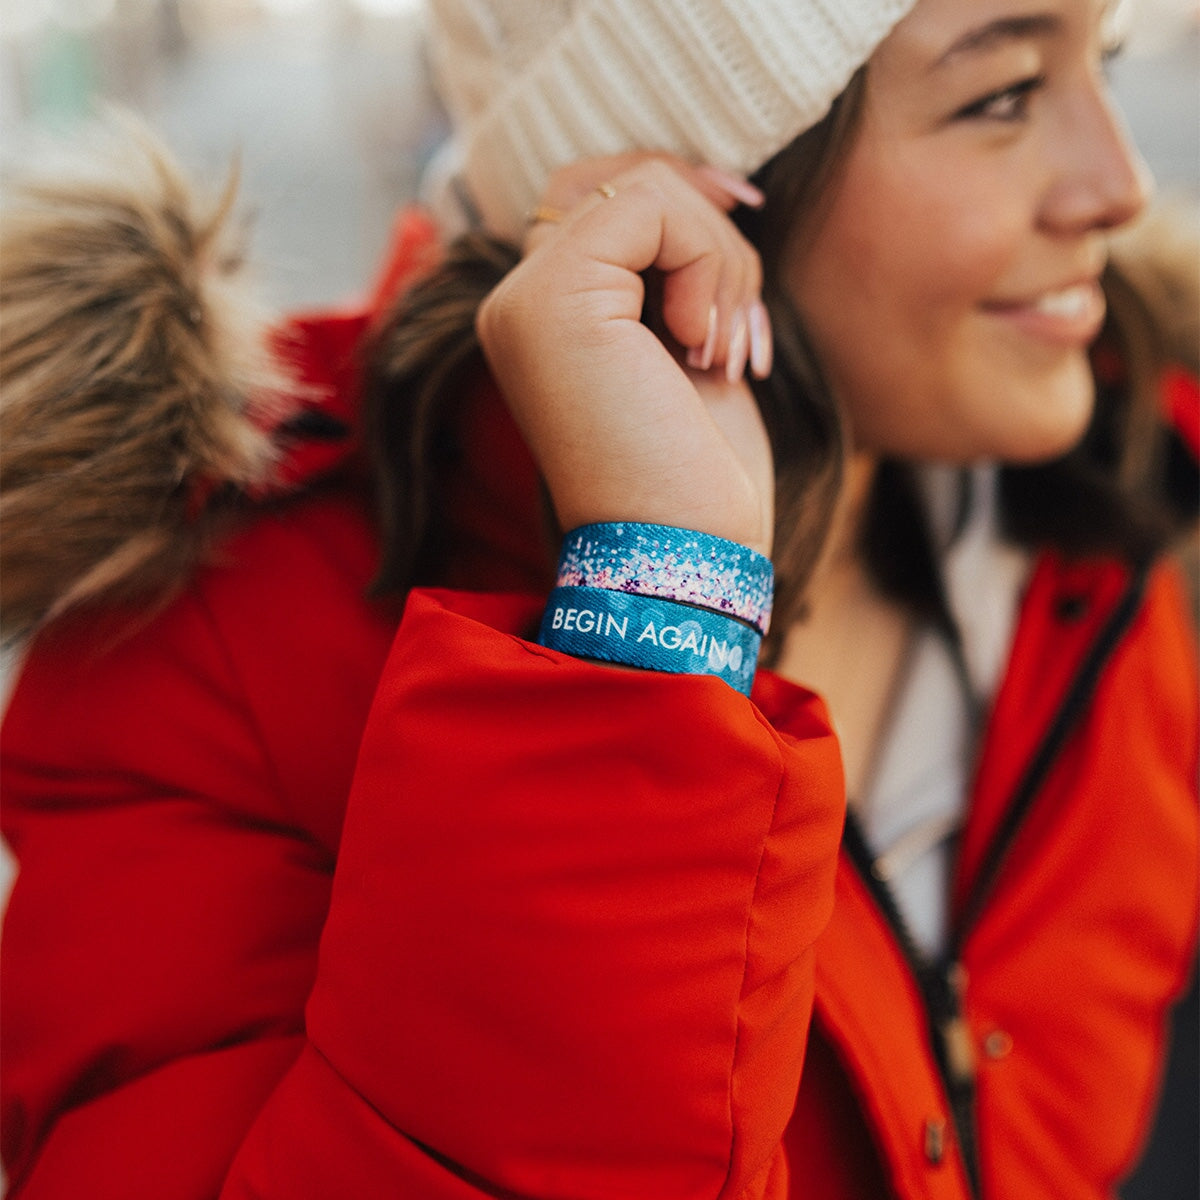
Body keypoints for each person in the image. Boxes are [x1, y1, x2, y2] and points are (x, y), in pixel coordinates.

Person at [1, 0, 1196, 1197]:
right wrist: (655, 632)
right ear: (686, 180)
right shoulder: (214, 640)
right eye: (1000, 96)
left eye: (1107, 63)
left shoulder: (1107, 523)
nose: (1121, 184)